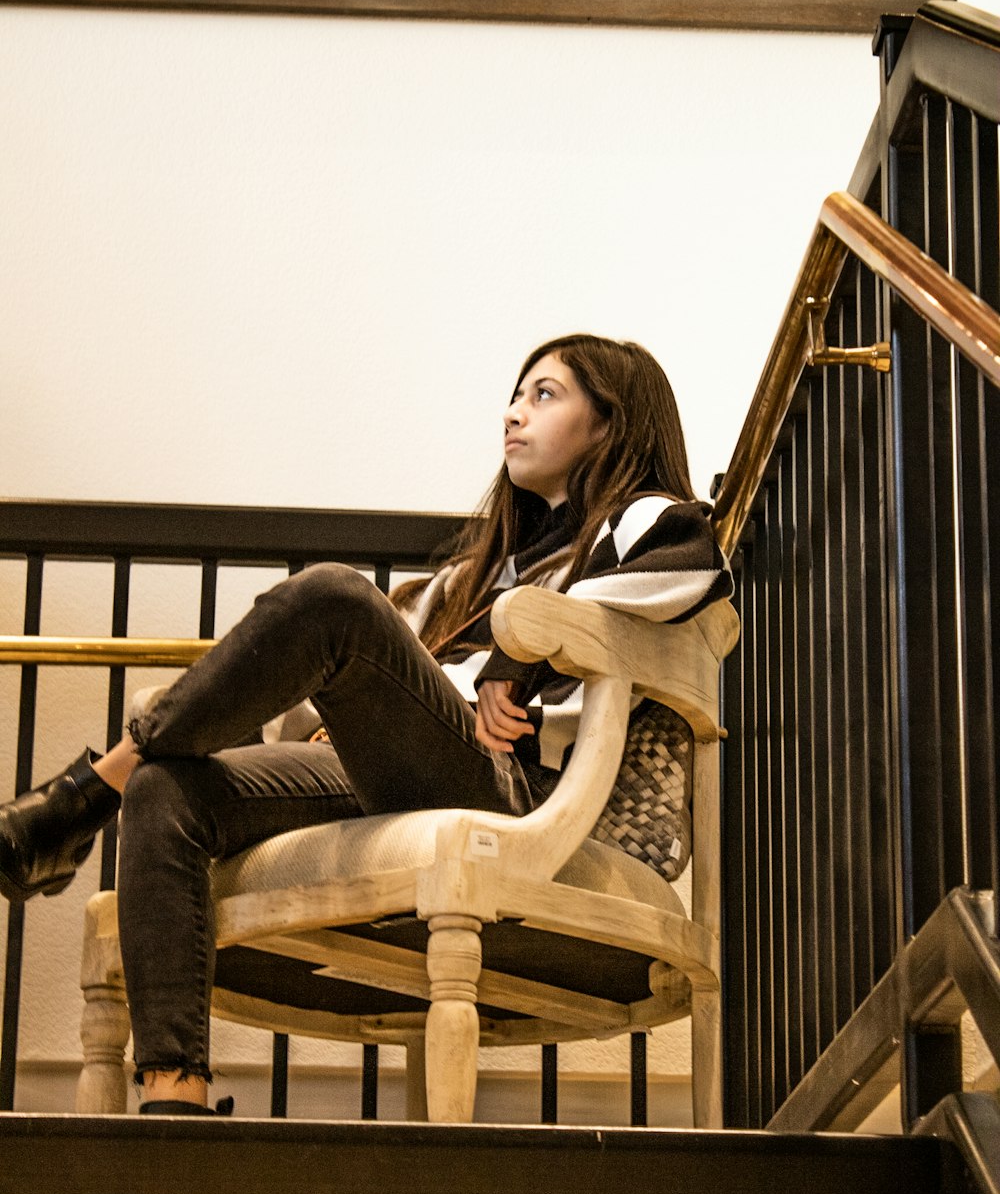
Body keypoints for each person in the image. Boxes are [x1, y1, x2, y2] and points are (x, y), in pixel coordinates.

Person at [0, 334, 731, 1114]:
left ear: (609, 425)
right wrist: (343, 722)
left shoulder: (647, 520)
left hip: (520, 789)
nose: (513, 415)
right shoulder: (471, 577)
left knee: (335, 600)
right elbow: (371, 684)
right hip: (400, 773)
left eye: (544, 396)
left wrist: (512, 662)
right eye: (515, 397)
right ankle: (174, 1097)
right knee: (165, 791)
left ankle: (78, 802)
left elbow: (694, 571)